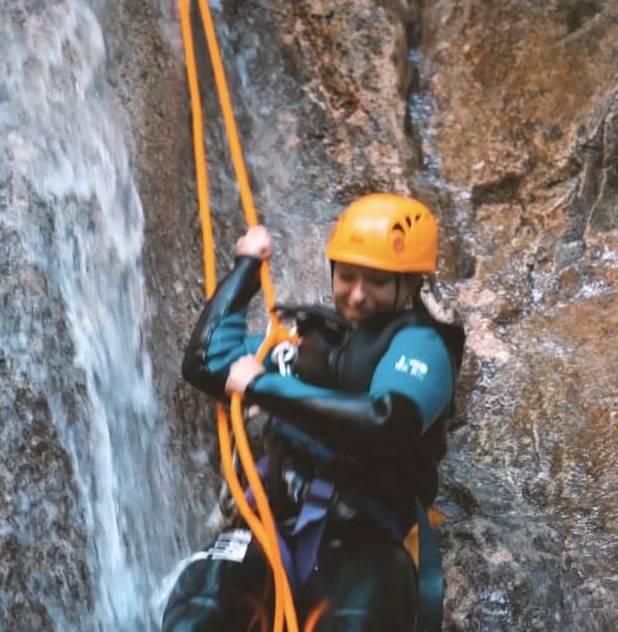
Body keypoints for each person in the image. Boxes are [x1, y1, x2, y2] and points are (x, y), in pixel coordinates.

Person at [162, 193, 465, 632]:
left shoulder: (422, 346)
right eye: (347, 276)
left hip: (364, 535)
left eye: (377, 281)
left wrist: (264, 387)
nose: (357, 295)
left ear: (411, 283)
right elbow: (206, 364)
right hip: (268, 525)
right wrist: (246, 269)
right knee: (199, 615)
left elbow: (387, 421)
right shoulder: (306, 341)